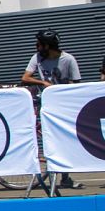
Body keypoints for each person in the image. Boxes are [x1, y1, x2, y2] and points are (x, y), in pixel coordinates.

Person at [21, 30, 83, 189]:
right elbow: (25, 78)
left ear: (47, 46)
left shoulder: (68, 59)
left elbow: (76, 83)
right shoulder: (37, 58)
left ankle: (64, 177)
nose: (36, 47)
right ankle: (57, 174)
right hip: (47, 104)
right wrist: (43, 83)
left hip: (64, 105)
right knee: (50, 138)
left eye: (39, 44)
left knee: (64, 139)